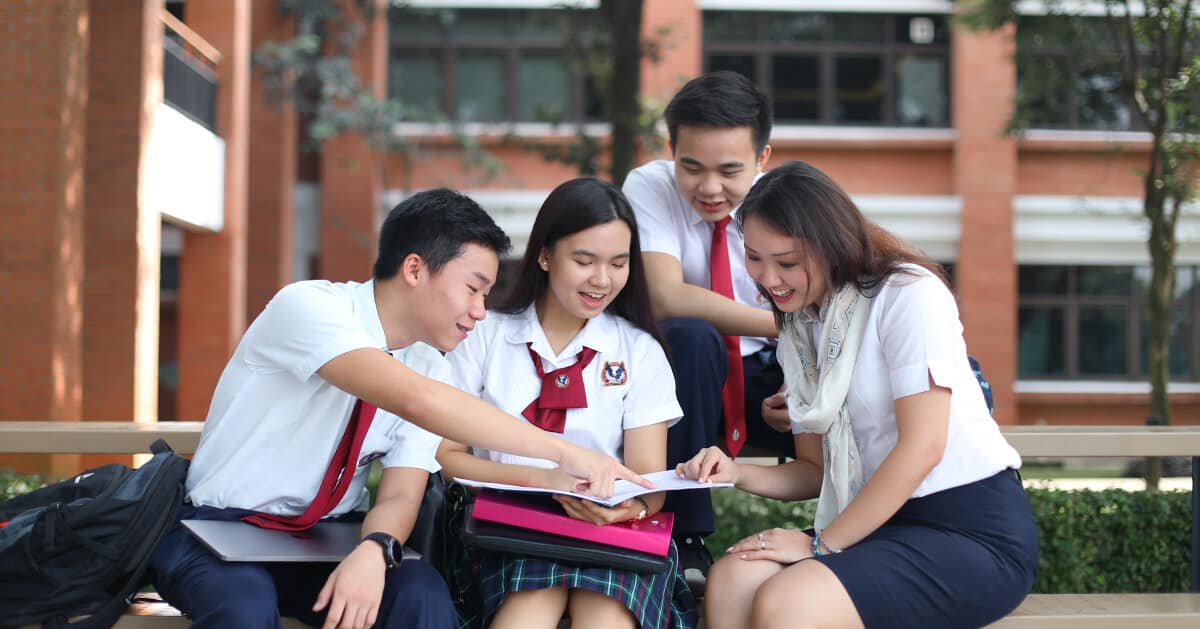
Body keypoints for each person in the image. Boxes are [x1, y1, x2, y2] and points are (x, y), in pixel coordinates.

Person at [150, 189, 651, 629]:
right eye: (473, 289)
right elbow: (416, 401)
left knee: (419, 594)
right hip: (217, 532)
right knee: (244, 606)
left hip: (323, 541)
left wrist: (375, 549)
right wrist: (565, 454)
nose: (481, 310)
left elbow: (399, 495)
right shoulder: (308, 309)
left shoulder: (428, 365)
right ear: (415, 269)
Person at [677, 162, 1038, 629]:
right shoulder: (800, 327)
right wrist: (732, 471)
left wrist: (818, 545)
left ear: (832, 247)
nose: (769, 279)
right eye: (754, 258)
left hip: (966, 529)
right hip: (872, 523)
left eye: (787, 262)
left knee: (788, 603)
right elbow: (813, 472)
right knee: (731, 580)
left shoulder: (908, 294)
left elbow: (922, 447)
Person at [437, 178, 698, 629]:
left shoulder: (638, 351)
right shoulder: (485, 338)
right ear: (544, 255)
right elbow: (448, 457)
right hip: (507, 532)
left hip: (610, 534)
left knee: (607, 619)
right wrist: (545, 479)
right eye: (584, 260)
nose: (602, 280)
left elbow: (647, 482)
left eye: (618, 263)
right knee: (524, 616)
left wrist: (627, 510)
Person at [621, 71, 784, 576]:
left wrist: (805, 365)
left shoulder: (791, 199)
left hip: (772, 380)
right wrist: (785, 324)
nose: (709, 188)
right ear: (671, 148)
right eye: (691, 167)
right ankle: (682, 537)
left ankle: (869, 536)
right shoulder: (649, 187)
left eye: (730, 170)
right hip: (692, 390)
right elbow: (666, 296)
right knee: (690, 337)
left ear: (762, 158)